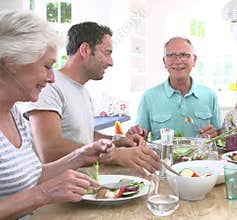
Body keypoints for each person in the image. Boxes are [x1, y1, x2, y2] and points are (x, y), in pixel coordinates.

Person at [0, 10, 115, 219]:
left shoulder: (14, 115)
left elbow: (34, 176)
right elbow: (39, 187)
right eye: (46, 66)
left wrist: (80, 156)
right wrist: (43, 194)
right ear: (12, 62)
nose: (53, 78)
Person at [22, 21, 160, 175]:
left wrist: (116, 142)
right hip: (58, 192)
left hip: (82, 184)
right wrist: (114, 154)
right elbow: (49, 150)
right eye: (107, 53)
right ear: (85, 49)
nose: (111, 62)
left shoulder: (82, 90)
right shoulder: (49, 87)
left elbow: (85, 136)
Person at [128, 36, 222, 140]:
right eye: (171, 55)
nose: (178, 61)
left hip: (201, 156)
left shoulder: (209, 95)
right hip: (162, 156)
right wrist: (135, 135)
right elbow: (140, 137)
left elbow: (220, 136)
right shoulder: (149, 97)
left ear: (194, 60)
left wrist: (215, 134)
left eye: (184, 55)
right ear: (164, 62)